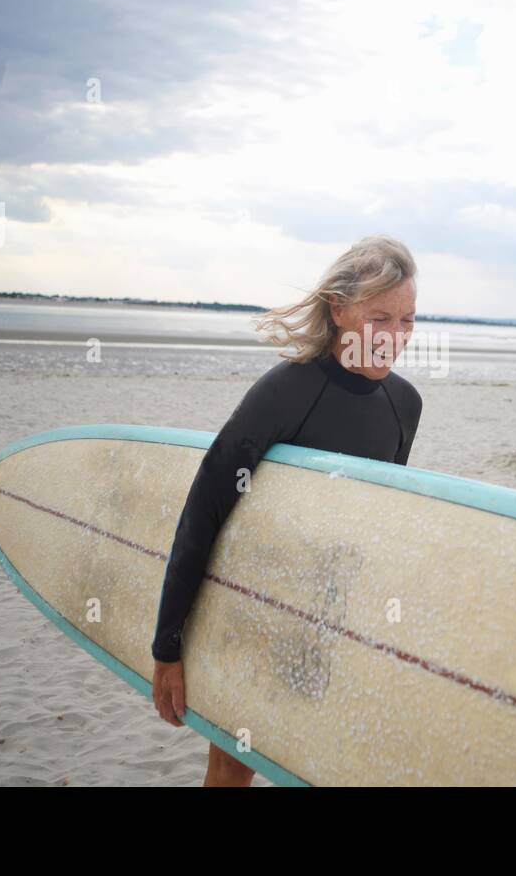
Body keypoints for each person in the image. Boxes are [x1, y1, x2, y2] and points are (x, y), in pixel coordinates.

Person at [150, 234, 423, 786]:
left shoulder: (405, 405)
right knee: (233, 762)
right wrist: (168, 647)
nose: (395, 338)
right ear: (339, 310)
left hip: (329, 618)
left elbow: (373, 527)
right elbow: (203, 513)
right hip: (252, 606)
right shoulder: (286, 391)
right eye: (380, 318)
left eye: (408, 320)